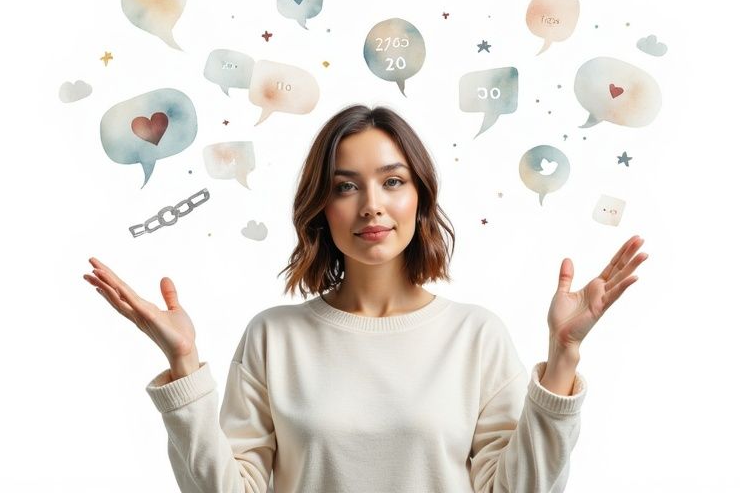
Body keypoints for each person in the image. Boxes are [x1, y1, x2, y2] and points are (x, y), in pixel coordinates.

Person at [83, 104, 647, 493]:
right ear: (322, 208)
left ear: (420, 198)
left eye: (393, 181)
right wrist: (184, 364)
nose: (371, 204)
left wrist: (563, 358)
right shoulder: (273, 337)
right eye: (346, 186)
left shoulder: (476, 336)